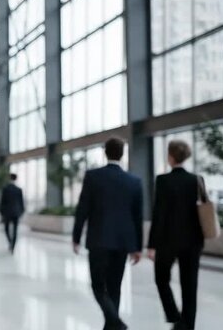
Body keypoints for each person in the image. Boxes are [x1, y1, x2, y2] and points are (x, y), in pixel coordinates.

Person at [72, 137, 143, 330]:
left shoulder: (93, 176)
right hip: (122, 242)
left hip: (98, 240)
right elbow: (138, 217)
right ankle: (112, 325)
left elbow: (83, 209)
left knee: (97, 287)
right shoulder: (134, 181)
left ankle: (116, 323)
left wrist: (76, 237)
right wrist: (137, 247)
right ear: (122, 153)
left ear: (105, 152)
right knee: (114, 286)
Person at [148, 140, 204, 330]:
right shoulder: (197, 179)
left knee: (161, 278)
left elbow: (159, 214)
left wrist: (151, 245)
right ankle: (187, 324)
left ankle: (173, 315)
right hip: (193, 240)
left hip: (167, 241)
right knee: (190, 284)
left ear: (171, 156)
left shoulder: (163, 180)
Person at [0, 173, 25, 254]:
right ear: (16, 179)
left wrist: (2, 212)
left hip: (7, 213)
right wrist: (21, 211)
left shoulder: (5, 189)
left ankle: (10, 242)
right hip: (16, 213)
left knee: (6, 229)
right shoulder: (18, 190)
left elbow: (2, 202)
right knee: (15, 230)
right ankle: (12, 246)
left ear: (9, 178)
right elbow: (21, 202)